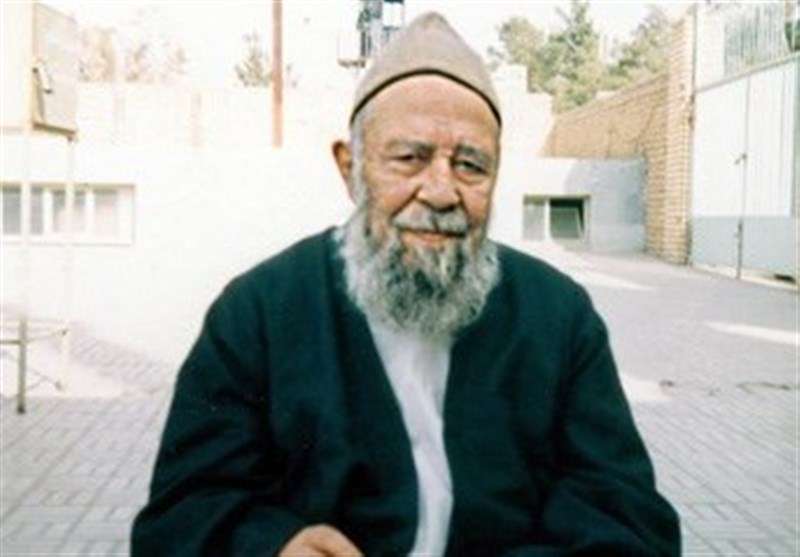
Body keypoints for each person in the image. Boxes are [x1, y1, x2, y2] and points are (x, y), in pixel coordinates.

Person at [131, 12, 680, 557]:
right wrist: (272, 546)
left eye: (470, 165)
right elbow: (182, 515)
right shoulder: (258, 313)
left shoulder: (557, 316)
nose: (440, 192)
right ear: (349, 168)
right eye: (409, 158)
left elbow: (628, 518)